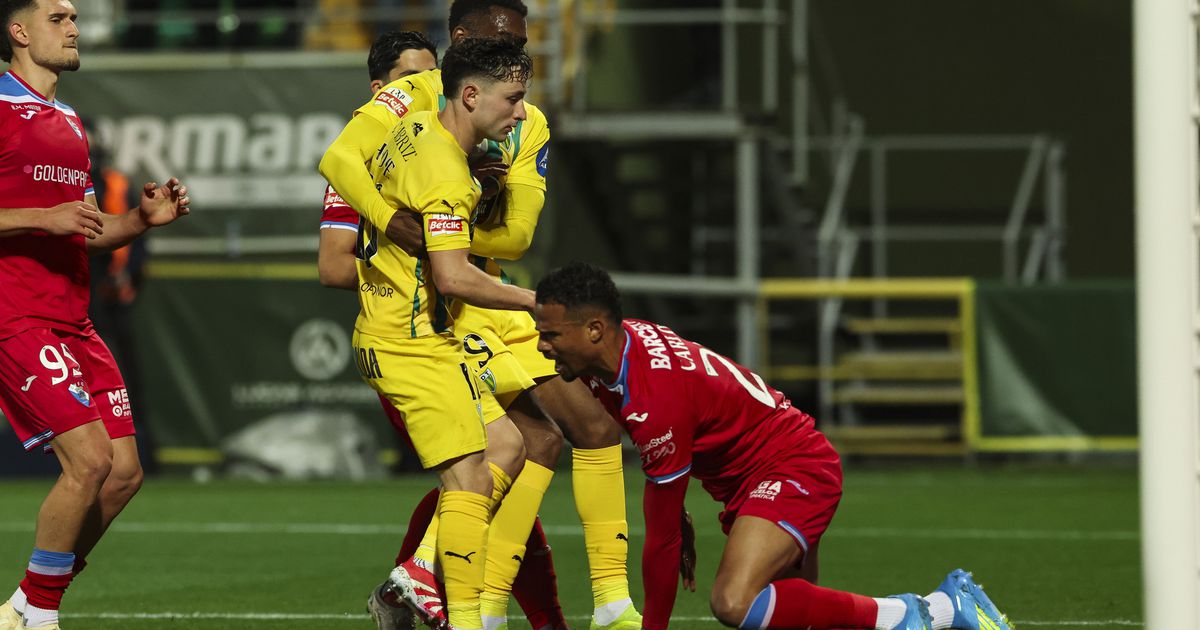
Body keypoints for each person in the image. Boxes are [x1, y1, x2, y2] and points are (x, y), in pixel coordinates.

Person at [320, 3, 639, 629]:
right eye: (502, 42)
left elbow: (515, 237)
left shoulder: (521, 122)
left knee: (573, 432)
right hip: (434, 316)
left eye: (521, 42)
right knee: (494, 457)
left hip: (479, 291)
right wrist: (402, 222)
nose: (516, 54)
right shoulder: (411, 104)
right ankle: (467, 599)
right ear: (463, 43)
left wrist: (451, 228)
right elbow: (339, 167)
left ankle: (602, 603)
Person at [532, 262, 1016, 630]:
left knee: (733, 602)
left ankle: (925, 610)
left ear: (594, 329)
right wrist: (674, 507)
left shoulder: (651, 394)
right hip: (757, 478)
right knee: (791, 616)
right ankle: (942, 608)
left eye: (551, 334)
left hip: (791, 468)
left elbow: (660, 542)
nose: (541, 346)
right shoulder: (617, 351)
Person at [0, 1, 191, 629]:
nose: (74, 27)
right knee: (88, 461)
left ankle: (24, 604)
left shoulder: (69, 121)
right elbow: (55, 220)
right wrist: (41, 217)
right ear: (19, 31)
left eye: (75, 17)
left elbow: (88, 229)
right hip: (15, 313)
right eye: (58, 18)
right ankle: (40, 616)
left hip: (74, 318)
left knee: (123, 475)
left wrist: (140, 220)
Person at [350, 36, 541, 630]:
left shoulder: (414, 131)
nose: (521, 114)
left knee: (508, 444)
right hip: (409, 343)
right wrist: (539, 303)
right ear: (471, 94)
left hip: (404, 330)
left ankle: (417, 577)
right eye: (512, 99)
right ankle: (460, 614)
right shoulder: (447, 175)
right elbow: (454, 276)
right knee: (468, 480)